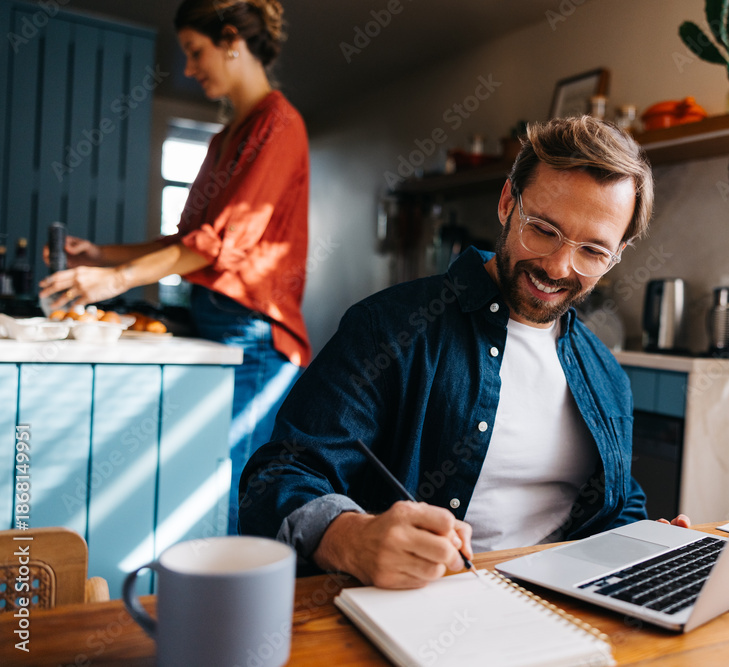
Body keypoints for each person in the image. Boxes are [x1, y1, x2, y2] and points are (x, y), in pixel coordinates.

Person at [239, 116, 688, 588]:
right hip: (425, 604)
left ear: (617, 254)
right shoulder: (388, 328)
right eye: (543, 229)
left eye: (593, 251)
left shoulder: (606, 374)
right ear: (506, 203)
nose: (558, 266)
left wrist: (647, 543)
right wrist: (353, 537)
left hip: (564, 610)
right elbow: (278, 476)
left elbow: (615, 507)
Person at [39, 0, 311, 535]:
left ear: (231, 38)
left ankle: (232, 611)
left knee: (232, 487)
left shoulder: (280, 125)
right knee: (206, 480)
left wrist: (114, 281)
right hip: (217, 321)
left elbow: (218, 242)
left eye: (194, 51)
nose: (188, 68)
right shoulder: (225, 137)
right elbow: (185, 241)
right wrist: (101, 255)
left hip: (255, 335)